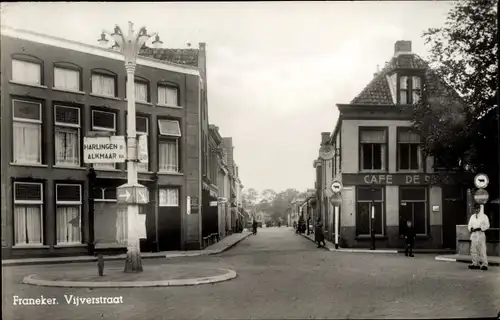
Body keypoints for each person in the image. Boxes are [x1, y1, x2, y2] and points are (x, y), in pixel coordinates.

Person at [468, 205, 490, 270]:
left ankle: (484, 264)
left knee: (482, 250)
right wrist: (471, 228)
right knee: (473, 249)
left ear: (480, 209)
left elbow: (487, 225)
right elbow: (469, 225)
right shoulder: (472, 216)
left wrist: (481, 228)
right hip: (474, 234)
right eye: (475, 209)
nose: (476, 210)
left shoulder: (484, 216)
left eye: (477, 209)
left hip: (480, 234)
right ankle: (475, 263)